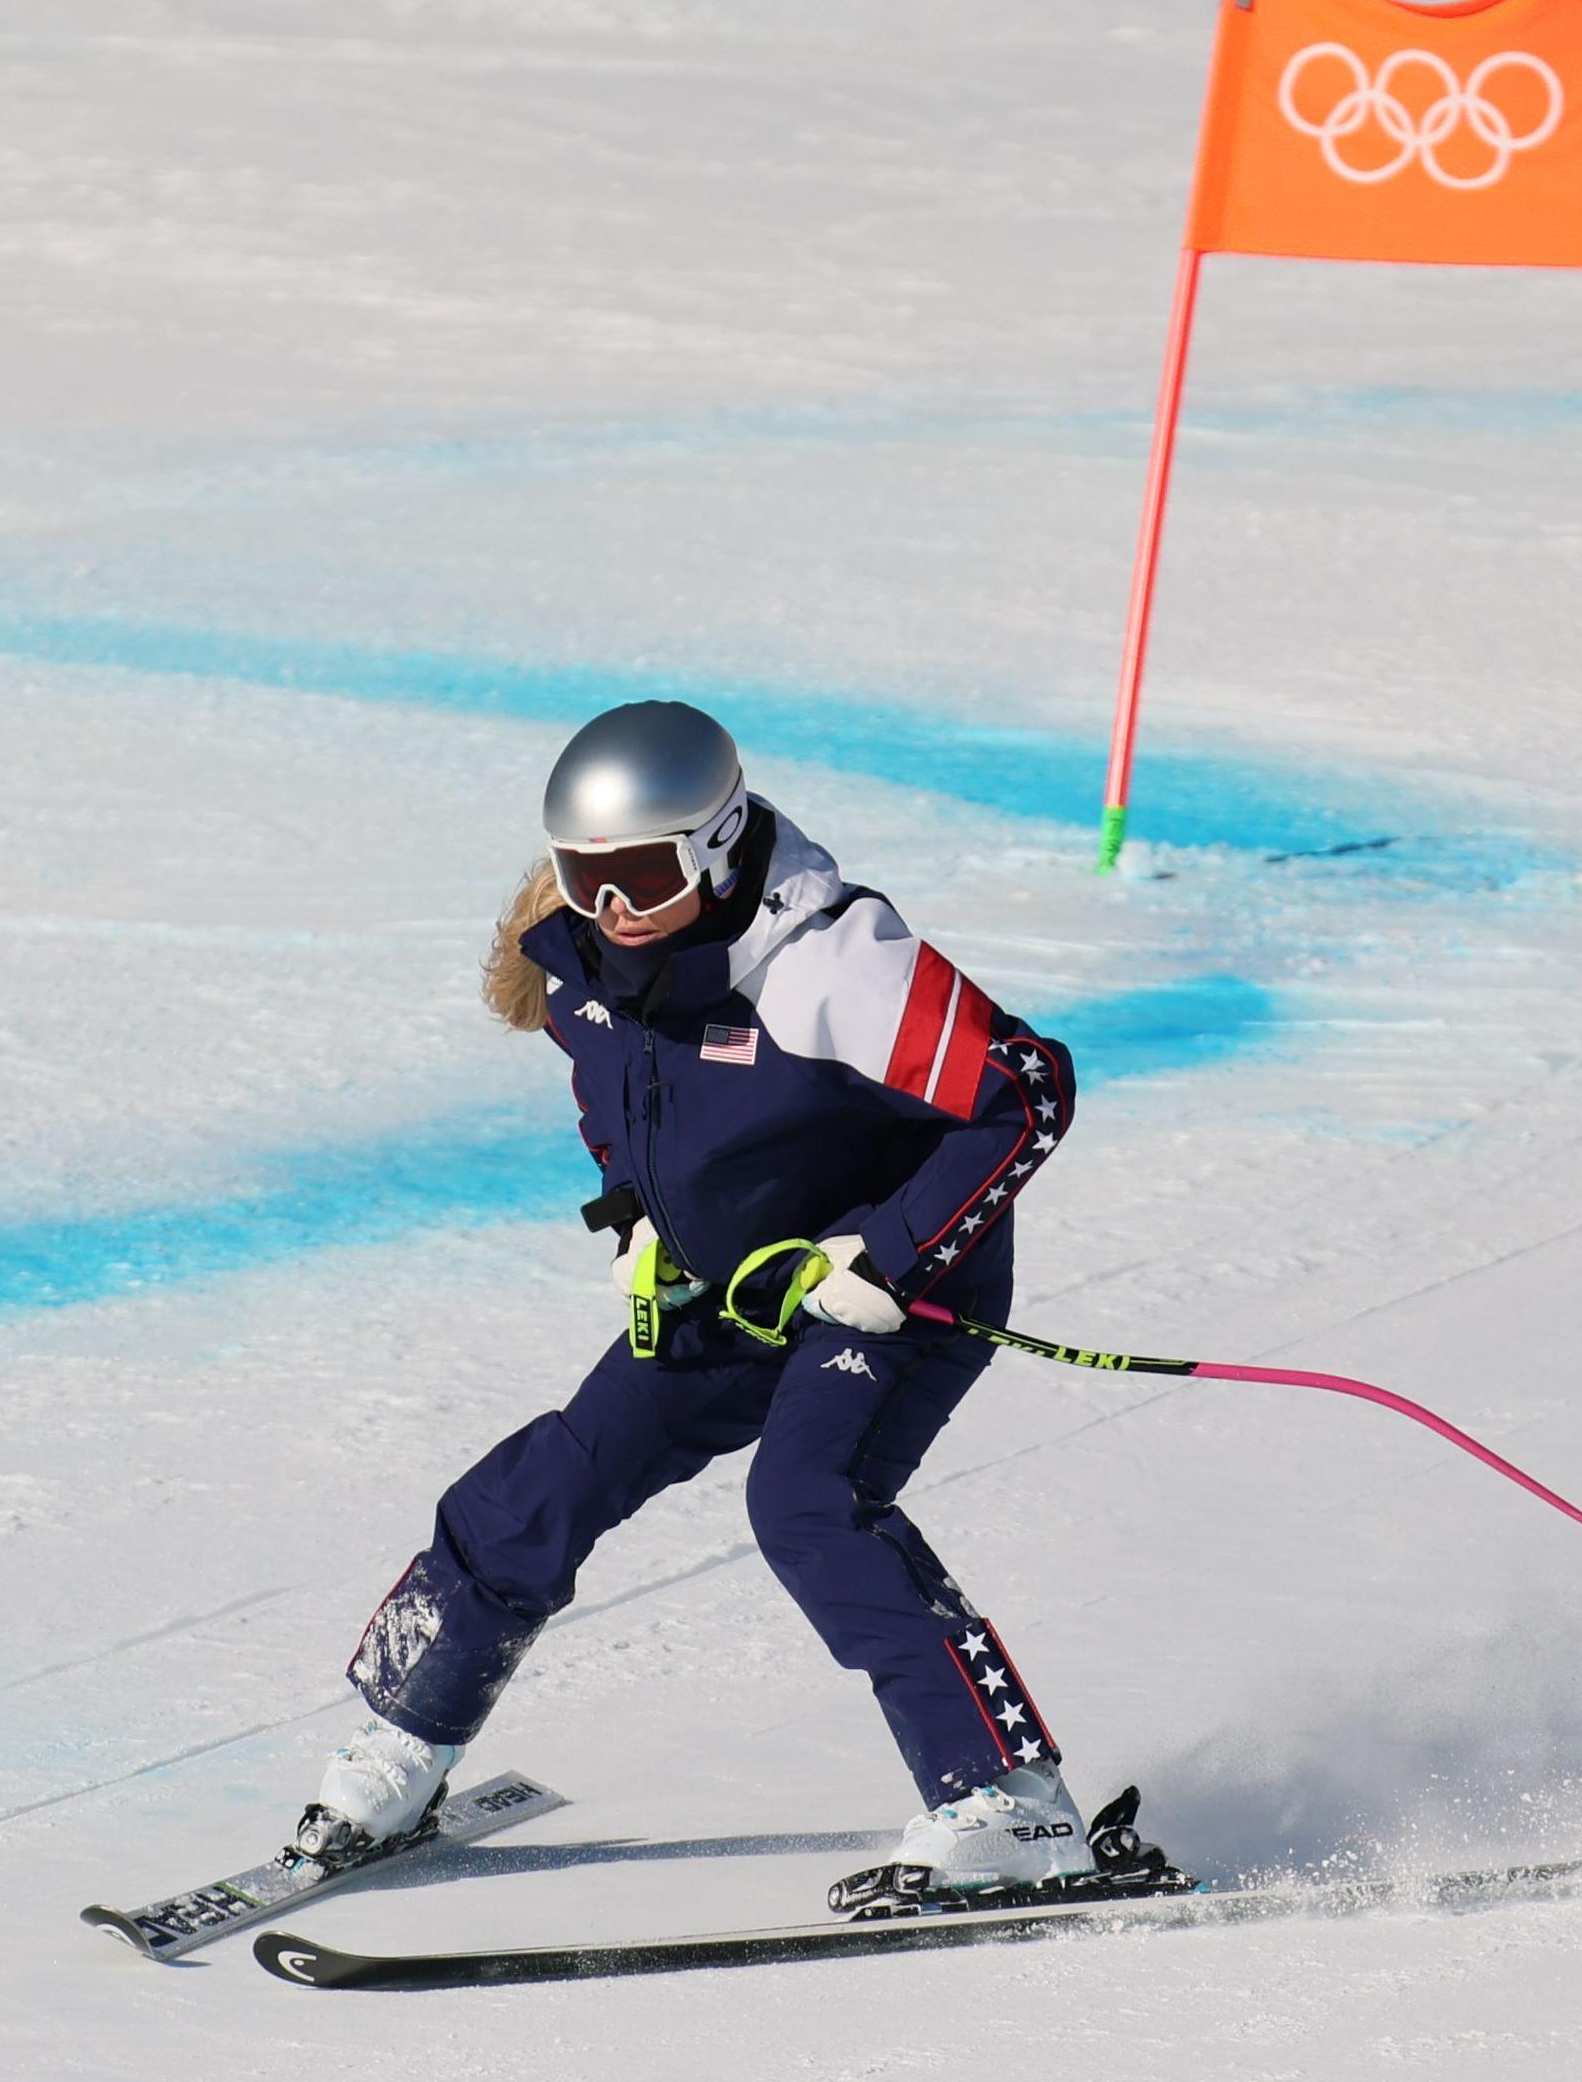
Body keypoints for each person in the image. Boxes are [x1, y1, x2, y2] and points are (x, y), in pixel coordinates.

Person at [292, 699, 1091, 1908]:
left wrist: (879, 1256)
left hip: (894, 1284)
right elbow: (615, 1098)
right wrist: (636, 1221)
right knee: (553, 1478)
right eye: (583, 876)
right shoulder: (577, 971)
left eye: (641, 879)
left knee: (810, 1500)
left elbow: (1024, 1090)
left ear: (714, 851)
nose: (609, 911)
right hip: (732, 1280)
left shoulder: (832, 964)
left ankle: (1012, 1806)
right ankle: (413, 1737)